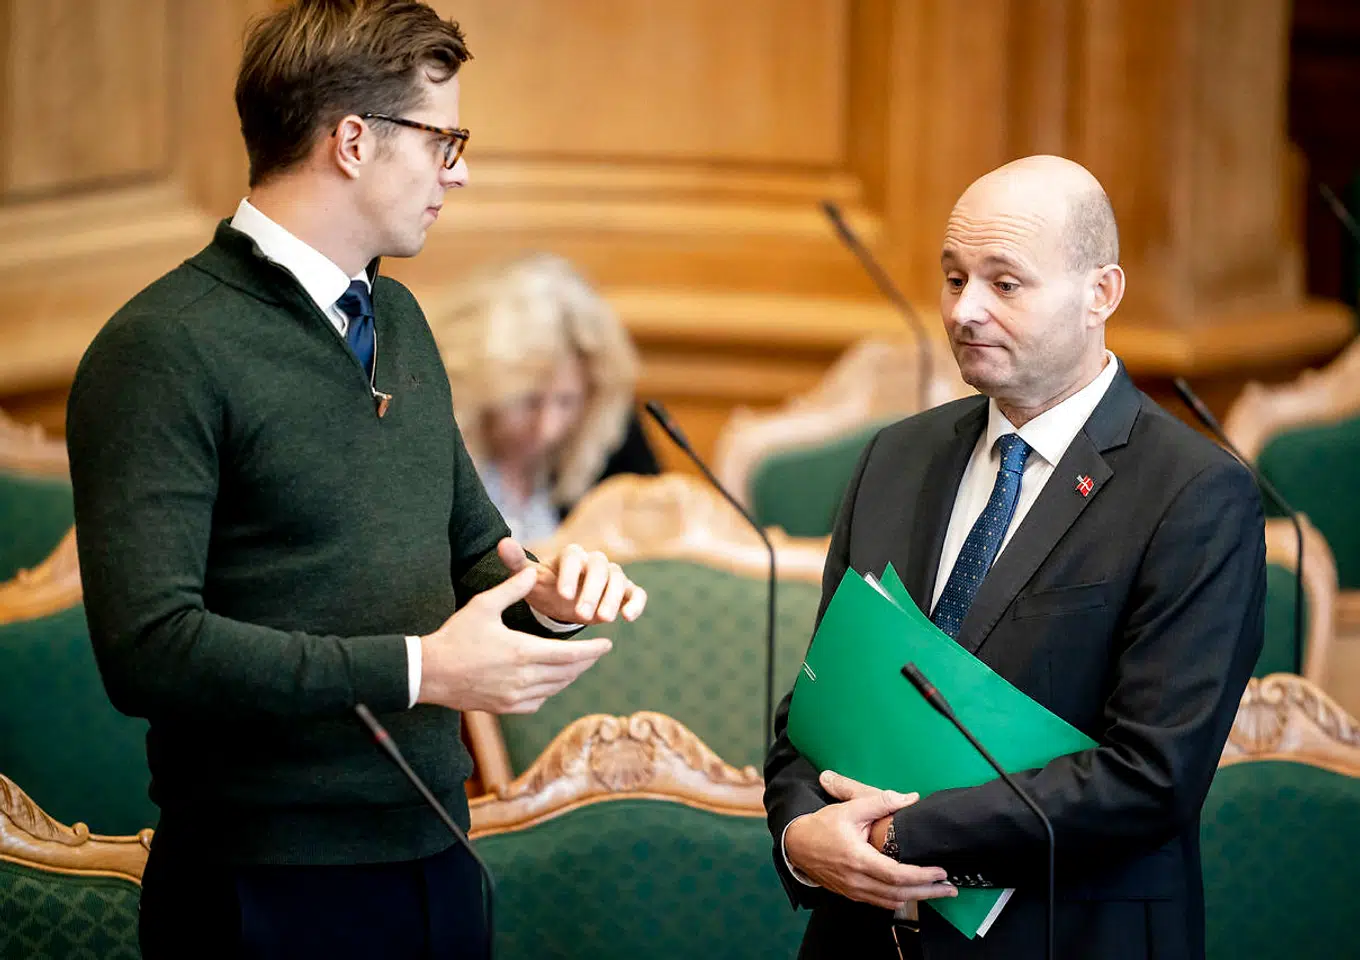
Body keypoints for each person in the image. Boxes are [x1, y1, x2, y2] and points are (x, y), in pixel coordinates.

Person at [65, 2, 646, 956]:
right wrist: (423, 671)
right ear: (352, 141)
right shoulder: (160, 348)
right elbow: (150, 651)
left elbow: (471, 556)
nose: (458, 169)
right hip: (263, 887)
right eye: (443, 138)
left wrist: (547, 597)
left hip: (437, 855)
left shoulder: (401, 318)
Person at [763, 155, 1265, 959]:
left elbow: (1150, 775)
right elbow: (822, 705)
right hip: (860, 938)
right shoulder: (894, 457)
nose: (965, 310)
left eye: (1005, 284)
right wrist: (801, 835)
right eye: (953, 277)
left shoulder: (1195, 494)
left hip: (1067, 934)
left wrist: (900, 833)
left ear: (1101, 292)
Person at [432, 253, 660, 543]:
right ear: (483, 389)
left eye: (567, 401)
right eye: (528, 401)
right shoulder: (435, 447)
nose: (547, 427)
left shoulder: (608, 435)